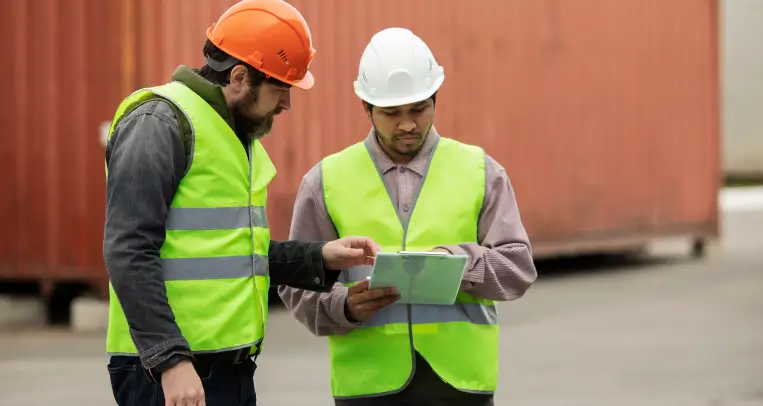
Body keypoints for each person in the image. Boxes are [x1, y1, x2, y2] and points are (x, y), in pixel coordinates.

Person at [102, 1, 381, 405]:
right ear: (238, 76)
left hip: (226, 371)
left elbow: (232, 253)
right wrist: (169, 360)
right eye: (281, 87)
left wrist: (319, 258)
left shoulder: (232, 136)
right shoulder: (158, 123)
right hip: (170, 374)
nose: (286, 103)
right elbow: (128, 249)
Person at [278, 27, 539, 406]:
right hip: (367, 385)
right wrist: (343, 307)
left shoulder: (481, 172)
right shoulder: (326, 181)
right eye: (391, 113)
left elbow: (518, 269)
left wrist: (458, 264)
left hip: (461, 384)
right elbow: (294, 284)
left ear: (435, 98)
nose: (407, 124)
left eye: (418, 109)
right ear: (366, 107)